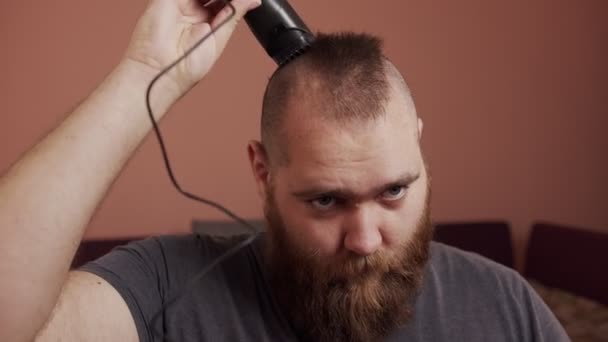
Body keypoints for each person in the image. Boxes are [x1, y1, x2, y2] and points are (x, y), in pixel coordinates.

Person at [0, 0, 569, 341]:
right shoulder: (165, 288)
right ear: (262, 170)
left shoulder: (506, 305)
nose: (366, 239)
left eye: (395, 190)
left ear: (419, 147)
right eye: (326, 200)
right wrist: (146, 71)